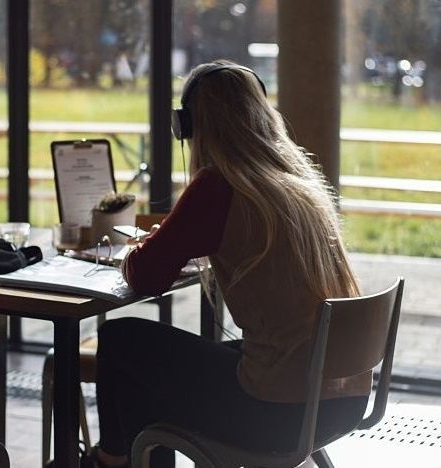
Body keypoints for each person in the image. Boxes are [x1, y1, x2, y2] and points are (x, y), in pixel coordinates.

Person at [89, 60, 369, 468]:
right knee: (162, 366)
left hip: (279, 410)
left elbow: (147, 276)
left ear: (187, 125)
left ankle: (109, 461)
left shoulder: (219, 185)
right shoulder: (297, 183)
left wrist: (138, 249)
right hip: (341, 397)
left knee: (121, 341)